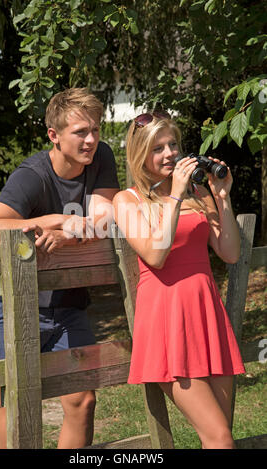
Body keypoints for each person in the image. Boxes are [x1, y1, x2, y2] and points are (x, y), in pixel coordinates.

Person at [0, 87, 120, 449]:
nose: (91, 139)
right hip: (10, 304)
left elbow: (104, 221)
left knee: (82, 398)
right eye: (80, 132)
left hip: (67, 300)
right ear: (53, 136)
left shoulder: (101, 156)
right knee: (18, 402)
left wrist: (69, 234)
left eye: (96, 129)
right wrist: (55, 220)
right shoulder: (32, 175)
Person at [113, 111, 245, 449]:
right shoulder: (129, 201)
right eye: (158, 148)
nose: (170, 153)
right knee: (221, 439)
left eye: (173, 144)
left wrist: (222, 196)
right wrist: (174, 196)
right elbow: (156, 256)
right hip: (166, 321)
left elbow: (229, 252)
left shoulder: (198, 194)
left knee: (217, 436)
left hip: (207, 316)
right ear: (139, 154)